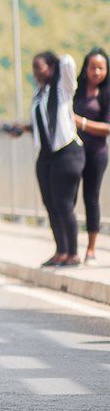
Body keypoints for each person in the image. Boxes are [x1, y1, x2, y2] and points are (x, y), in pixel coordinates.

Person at [10, 53, 86, 267]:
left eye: (39, 68)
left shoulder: (63, 89)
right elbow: (41, 123)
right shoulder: (39, 94)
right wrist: (22, 128)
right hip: (45, 156)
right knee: (50, 205)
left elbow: (69, 63)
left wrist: (57, 60)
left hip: (66, 153)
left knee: (64, 204)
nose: (36, 73)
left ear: (51, 67)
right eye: (33, 69)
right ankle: (60, 251)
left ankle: (73, 253)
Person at [74, 48, 109, 264]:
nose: (96, 72)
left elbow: (108, 127)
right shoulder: (76, 91)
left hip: (96, 153)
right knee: (67, 198)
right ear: (85, 68)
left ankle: (91, 248)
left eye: (101, 68)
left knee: (91, 198)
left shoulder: (106, 94)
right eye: (92, 67)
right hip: (74, 152)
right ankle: (68, 246)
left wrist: (82, 123)